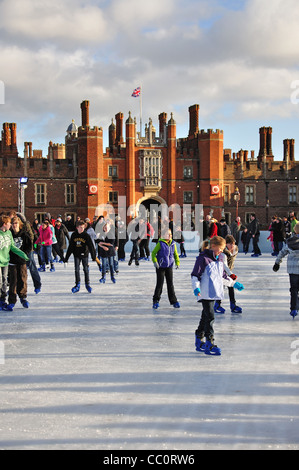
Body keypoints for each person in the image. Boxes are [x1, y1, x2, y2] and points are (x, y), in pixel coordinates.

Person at [191, 235, 244, 355]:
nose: (221, 251)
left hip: (214, 292)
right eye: (220, 249)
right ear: (213, 246)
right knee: (210, 317)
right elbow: (195, 275)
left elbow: (222, 277)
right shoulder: (203, 259)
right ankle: (209, 343)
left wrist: (234, 284)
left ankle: (199, 338)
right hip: (204, 293)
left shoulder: (219, 259)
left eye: (223, 249)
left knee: (205, 316)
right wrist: (196, 288)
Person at [0, 215, 29, 311]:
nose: (12, 225)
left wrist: (23, 254)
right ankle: (7, 300)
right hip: (9, 261)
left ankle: (21, 298)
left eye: (15, 223)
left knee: (15, 280)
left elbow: (13, 246)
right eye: (10, 223)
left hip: (12, 261)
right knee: (8, 282)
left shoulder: (11, 234)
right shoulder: (6, 233)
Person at [273, 222, 299, 319]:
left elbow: (282, 252)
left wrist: (277, 263)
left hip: (293, 270)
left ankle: (294, 308)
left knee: (294, 289)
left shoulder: (290, 241)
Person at [65, 220, 98, 293]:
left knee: (86, 269)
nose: (82, 229)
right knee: (76, 270)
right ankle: (77, 284)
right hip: (76, 255)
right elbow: (70, 247)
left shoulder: (86, 235)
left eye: (83, 227)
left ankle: (87, 284)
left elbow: (91, 246)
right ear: (77, 227)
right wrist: (66, 258)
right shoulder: (74, 235)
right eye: (81, 227)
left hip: (84, 255)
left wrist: (93, 256)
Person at [151, 228, 180, 309]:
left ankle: (174, 301)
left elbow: (176, 254)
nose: (170, 235)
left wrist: (177, 263)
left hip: (169, 266)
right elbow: (153, 253)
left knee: (170, 284)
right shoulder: (160, 243)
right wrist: (155, 262)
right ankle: (156, 300)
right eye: (168, 234)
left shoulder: (173, 244)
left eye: (171, 234)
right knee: (160, 284)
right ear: (163, 236)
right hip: (160, 266)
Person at [8, 216, 33, 309]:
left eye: (16, 223)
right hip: (12, 261)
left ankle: (23, 297)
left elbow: (29, 246)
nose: (14, 225)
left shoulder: (24, 235)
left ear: (20, 224)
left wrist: (23, 254)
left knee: (22, 279)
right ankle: (11, 300)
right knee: (13, 282)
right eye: (13, 223)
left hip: (21, 261)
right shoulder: (9, 234)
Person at [216, 235, 243, 314]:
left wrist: (230, 273)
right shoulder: (223, 253)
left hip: (228, 271)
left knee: (231, 287)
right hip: (221, 272)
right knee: (221, 288)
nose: (232, 245)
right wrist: (231, 274)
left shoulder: (235, 250)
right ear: (226, 244)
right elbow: (225, 265)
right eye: (230, 244)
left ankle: (233, 305)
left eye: (233, 243)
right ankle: (217, 304)